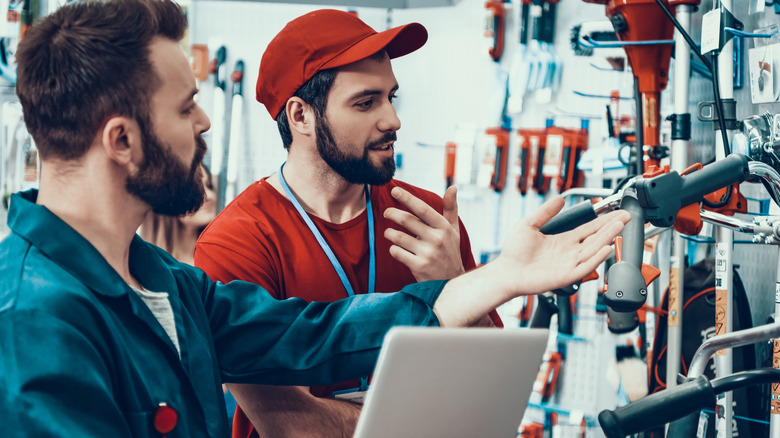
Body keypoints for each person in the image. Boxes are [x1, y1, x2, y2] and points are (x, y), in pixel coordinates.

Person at [0, 0, 629, 436]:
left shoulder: (165, 281)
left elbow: (311, 335)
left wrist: (496, 277)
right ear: (122, 140)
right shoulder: (35, 320)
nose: (206, 122)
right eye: (186, 106)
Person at [193, 10, 501, 438]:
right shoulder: (238, 241)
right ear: (301, 116)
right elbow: (290, 423)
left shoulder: (426, 220)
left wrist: (454, 282)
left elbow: (490, 384)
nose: (393, 120)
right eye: (365, 102)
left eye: (391, 97)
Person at [141, 164, 217, 265]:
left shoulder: (218, 261)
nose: (210, 196)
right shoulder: (143, 267)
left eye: (209, 186)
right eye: (196, 189)